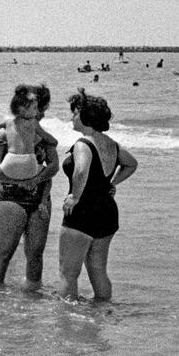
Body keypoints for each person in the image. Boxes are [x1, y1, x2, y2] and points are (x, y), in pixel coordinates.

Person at [59, 89, 138, 301]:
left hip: (83, 212)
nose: (72, 117)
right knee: (98, 270)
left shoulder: (83, 143)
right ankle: (102, 313)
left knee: (68, 273)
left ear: (85, 116)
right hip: (106, 212)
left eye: (75, 113)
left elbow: (82, 170)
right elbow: (131, 164)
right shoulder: (111, 143)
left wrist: (75, 197)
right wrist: (112, 184)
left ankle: (67, 319)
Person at [0, 85, 58, 288]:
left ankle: (32, 300)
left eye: (41, 109)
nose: (39, 114)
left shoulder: (43, 136)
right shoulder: (3, 134)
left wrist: (35, 181)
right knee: (4, 253)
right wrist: (19, 182)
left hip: (40, 198)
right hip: (9, 197)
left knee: (35, 254)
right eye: (36, 109)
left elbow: (54, 166)